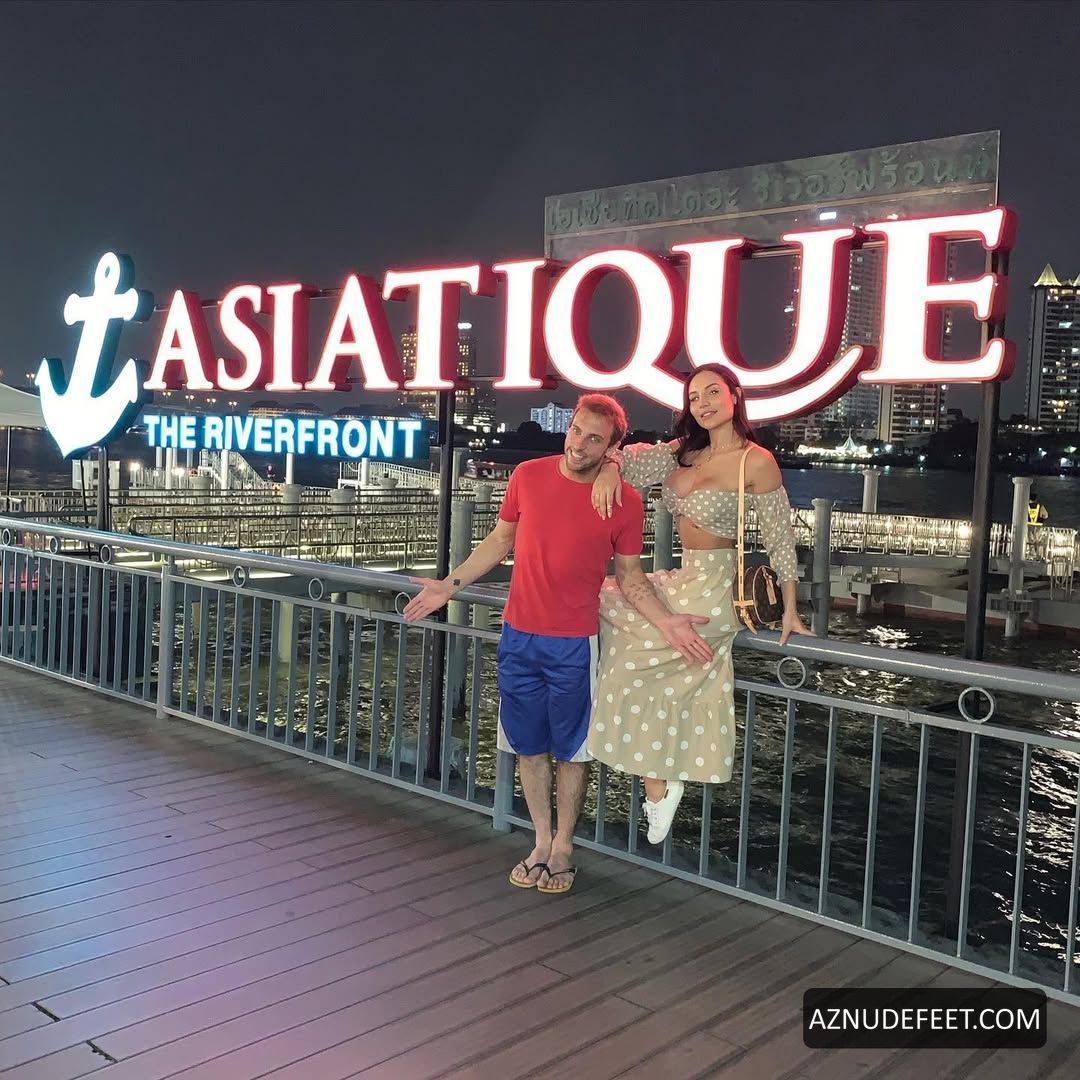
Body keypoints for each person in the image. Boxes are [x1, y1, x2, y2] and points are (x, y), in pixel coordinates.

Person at [403, 394, 705, 894]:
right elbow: (500, 540)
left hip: (575, 643)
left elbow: (631, 578)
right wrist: (448, 586)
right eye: (576, 431)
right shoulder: (527, 475)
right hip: (518, 634)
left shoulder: (625, 502)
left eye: (594, 438)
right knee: (528, 747)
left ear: (612, 448)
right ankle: (540, 840)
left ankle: (563, 846)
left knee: (572, 751)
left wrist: (668, 622)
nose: (579, 444)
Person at [588, 363, 812, 846]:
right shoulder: (683, 452)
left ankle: (660, 782)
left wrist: (791, 607)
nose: (703, 403)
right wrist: (609, 469)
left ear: (735, 395)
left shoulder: (755, 461)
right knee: (603, 599)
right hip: (682, 577)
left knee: (640, 662)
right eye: (694, 397)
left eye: (712, 392)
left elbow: (780, 538)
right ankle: (659, 780)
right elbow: (628, 461)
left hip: (716, 588)